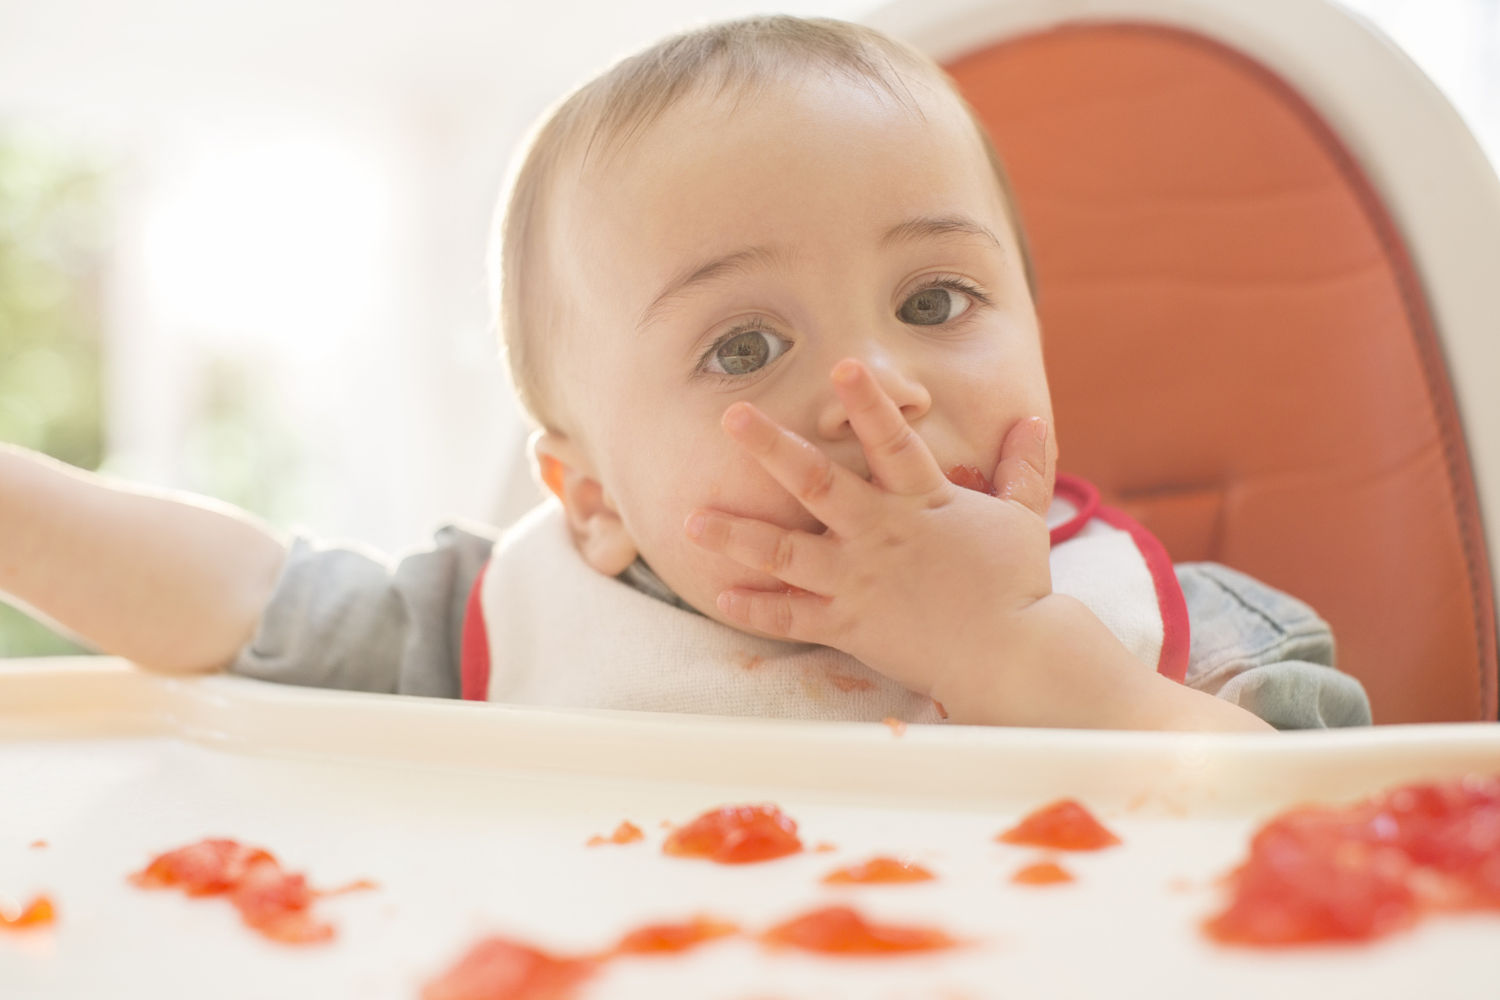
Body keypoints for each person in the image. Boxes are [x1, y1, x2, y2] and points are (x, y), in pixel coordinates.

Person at [0, 16, 1370, 731]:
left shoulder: (1201, 641)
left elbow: (1347, 855)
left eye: (936, 299)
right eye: (744, 345)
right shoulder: (513, 629)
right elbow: (244, 604)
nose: (871, 387)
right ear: (590, 499)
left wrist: (1022, 661)